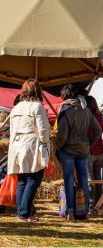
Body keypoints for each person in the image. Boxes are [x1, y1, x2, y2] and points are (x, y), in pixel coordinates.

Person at [7, 78, 50, 222]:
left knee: (22, 180)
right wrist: (44, 145)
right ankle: (24, 213)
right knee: (34, 179)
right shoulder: (37, 107)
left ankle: (21, 212)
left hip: (17, 146)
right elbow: (43, 130)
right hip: (32, 144)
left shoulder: (16, 108)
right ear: (38, 91)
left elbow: (12, 130)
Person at [56, 84, 101, 221]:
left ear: (63, 96)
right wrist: (88, 143)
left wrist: (57, 148)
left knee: (69, 180)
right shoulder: (86, 111)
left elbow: (62, 135)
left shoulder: (65, 111)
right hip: (83, 150)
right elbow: (98, 131)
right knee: (83, 180)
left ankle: (70, 212)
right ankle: (85, 212)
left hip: (68, 150)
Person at [85, 95, 103, 211]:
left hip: (90, 152)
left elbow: (88, 132)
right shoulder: (100, 116)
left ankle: (91, 204)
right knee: (98, 179)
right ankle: (99, 202)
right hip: (100, 152)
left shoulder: (88, 117)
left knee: (90, 180)